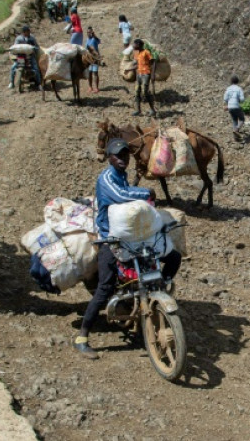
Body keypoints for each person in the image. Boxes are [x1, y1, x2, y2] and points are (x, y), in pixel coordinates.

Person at [74, 138, 181, 358]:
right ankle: (82, 337)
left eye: (125, 155)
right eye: (117, 155)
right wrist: (146, 193)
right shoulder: (105, 178)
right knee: (105, 287)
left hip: (132, 236)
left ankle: (155, 296)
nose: (122, 159)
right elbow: (122, 196)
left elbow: (128, 195)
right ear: (109, 158)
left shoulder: (121, 176)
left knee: (173, 258)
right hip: (110, 237)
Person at [9, 25, 42, 90]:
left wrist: (34, 48)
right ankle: (11, 82)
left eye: (29, 31)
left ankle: (39, 84)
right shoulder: (19, 39)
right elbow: (15, 47)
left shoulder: (32, 38)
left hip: (30, 56)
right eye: (27, 32)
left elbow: (37, 46)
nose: (29, 33)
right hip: (21, 57)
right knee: (13, 68)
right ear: (24, 32)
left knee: (36, 68)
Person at [132, 39, 157, 116]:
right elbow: (138, 64)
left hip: (146, 74)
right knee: (137, 92)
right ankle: (138, 110)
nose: (133, 46)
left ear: (139, 45)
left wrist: (152, 74)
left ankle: (153, 110)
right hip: (139, 74)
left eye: (135, 44)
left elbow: (153, 63)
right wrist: (130, 69)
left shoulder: (146, 52)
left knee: (145, 92)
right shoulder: (136, 53)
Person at [85, 27, 101, 93]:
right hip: (89, 59)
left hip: (95, 58)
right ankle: (90, 87)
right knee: (89, 73)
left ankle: (96, 88)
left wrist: (94, 35)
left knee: (95, 73)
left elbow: (99, 41)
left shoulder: (94, 39)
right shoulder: (87, 40)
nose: (89, 33)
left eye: (90, 32)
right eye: (88, 32)